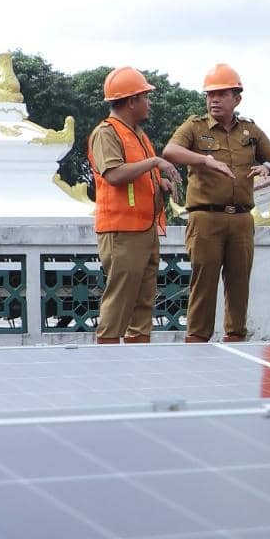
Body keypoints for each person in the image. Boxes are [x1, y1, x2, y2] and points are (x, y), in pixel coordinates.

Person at [163, 64, 270, 343]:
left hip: (241, 219)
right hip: (206, 218)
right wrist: (205, 159)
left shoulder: (249, 130)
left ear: (236, 98)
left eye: (221, 94)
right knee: (204, 283)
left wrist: (268, 168)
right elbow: (170, 151)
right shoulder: (195, 127)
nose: (213, 100)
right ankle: (197, 342)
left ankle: (236, 338)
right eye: (210, 95)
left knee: (239, 284)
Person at [87, 66, 181, 343]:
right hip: (122, 232)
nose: (149, 103)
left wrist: (159, 183)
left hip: (144, 230)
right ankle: (106, 363)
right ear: (131, 101)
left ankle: (136, 362)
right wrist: (155, 162)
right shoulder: (106, 133)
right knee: (119, 304)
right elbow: (114, 175)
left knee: (143, 307)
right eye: (145, 97)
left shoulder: (137, 134)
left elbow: (136, 175)